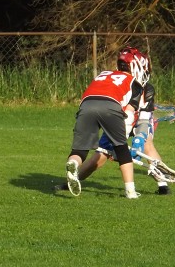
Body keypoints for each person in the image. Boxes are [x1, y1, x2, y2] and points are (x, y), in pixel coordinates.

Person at [57, 56, 173, 195]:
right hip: (117, 120)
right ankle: (72, 180)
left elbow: (144, 118)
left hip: (137, 121)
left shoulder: (147, 89)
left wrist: (139, 140)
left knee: (147, 144)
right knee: (101, 156)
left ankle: (162, 185)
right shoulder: (125, 82)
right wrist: (117, 145)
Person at [63, 46, 147, 199]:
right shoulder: (134, 83)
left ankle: (73, 164)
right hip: (110, 105)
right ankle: (131, 191)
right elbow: (129, 113)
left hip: (86, 104)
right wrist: (123, 135)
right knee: (121, 149)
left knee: (80, 150)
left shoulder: (104, 73)